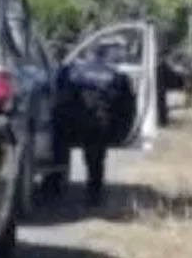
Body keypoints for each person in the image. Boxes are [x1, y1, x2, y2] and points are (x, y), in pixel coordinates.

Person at [46, 55, 136, 209]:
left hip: (72, 118)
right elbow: (128, 106)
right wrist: (120, 133)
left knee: (59, 149)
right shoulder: (114, 73)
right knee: (95, 158)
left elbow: (56, 94)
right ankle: (94, 194)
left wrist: (58, 118)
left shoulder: (70, 69)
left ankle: (54, 186)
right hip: (100, 121)